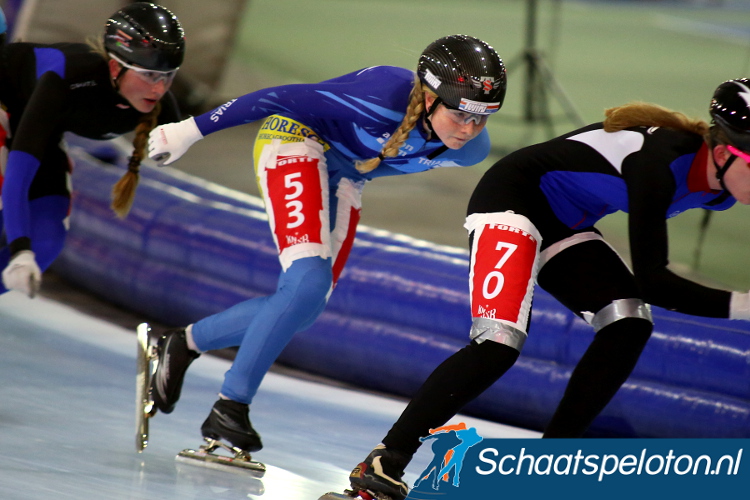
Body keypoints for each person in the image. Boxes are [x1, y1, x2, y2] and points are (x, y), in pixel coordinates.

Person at [345, 78, 750, 500]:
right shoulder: (659, 164)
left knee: (628, 324)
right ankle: (387, 458)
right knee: (498, 343)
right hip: (513, 198)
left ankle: (547, 471)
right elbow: (654, 280)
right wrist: (742, 305)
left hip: (564, 220)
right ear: (722, 152)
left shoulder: (721, 186)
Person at [145, 35, 507, 455]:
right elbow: (275, 98)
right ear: (427, 98)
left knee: (305, 307)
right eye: (460, 114)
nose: (469, 129)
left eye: (482, 119)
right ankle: (231, 406)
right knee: (306, 284)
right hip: (295, 139)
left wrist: (355, 174)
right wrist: (189, 131)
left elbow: (386, 163)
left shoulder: (469, 150)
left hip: (347, 172)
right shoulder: (380, 96)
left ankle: (183, 343)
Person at [0, 2, 184, 298]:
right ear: (115, 66)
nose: (159, 89)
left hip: (38, 127)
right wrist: (20, 250)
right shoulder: (65, 81)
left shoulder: (162, 107)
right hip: (7, 101)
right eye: (149, 75)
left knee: (46, 243)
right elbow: (18, 177)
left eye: (168, 76)